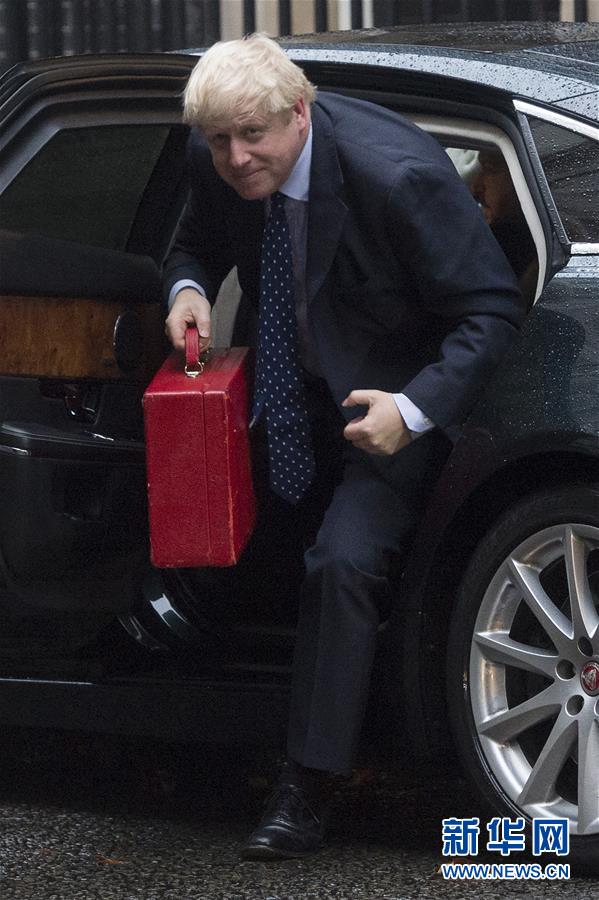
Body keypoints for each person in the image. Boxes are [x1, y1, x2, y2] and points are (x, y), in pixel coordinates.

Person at [163, 34, 524, 860]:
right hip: (286, 404)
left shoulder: (396, 177)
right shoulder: (213, 156)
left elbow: (491, 309)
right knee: (217, 538)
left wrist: (414, 408)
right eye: (219, 140)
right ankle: (192, 720)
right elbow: (193, 246)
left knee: (341, 564)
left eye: (251, 135)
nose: (235, 157)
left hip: (391, 407)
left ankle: (307, 789)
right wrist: (186, 290)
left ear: (299, 111)